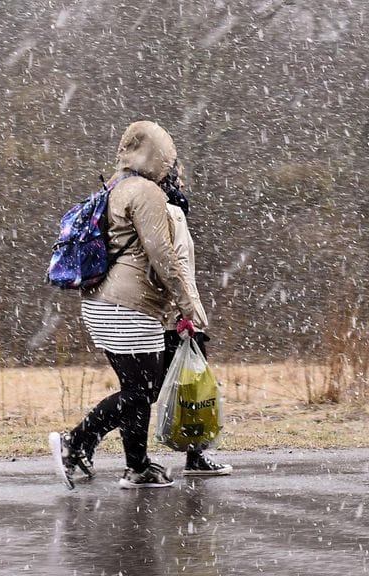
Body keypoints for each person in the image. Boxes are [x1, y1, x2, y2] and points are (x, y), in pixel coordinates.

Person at [49, 120, 204, 489]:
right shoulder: (146, 192)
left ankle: (128, 462)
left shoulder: (113, 187)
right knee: (143, 390)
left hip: (101, 302)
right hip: (128, 305)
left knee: (137, 389)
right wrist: (186, 306)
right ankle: (80, 444)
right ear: (159, 155)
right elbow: (162, 256)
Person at [158, 161, 232, 476]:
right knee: (190, 388)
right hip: (177, 319)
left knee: (182, 388)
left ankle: (194, 455)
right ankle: (82, 440)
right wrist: (185, 314)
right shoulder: (170, 212)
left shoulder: (173, 211)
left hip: (177, 315)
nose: (183, 182)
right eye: (178, 176)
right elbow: (173, 272)